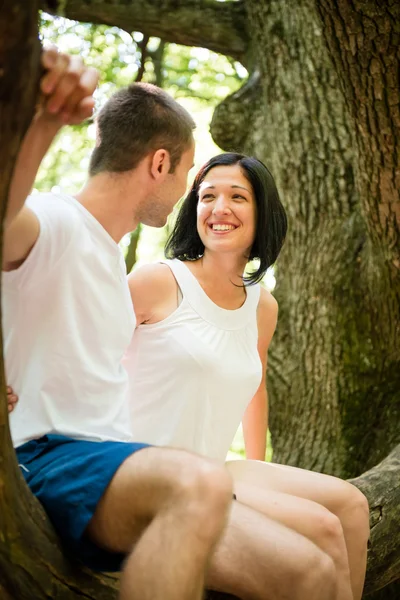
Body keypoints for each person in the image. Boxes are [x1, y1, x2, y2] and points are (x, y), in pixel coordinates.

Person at [4, 48, 340, 600]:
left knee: (312, 573)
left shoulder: (110, 260)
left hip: (112, 466)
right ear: (160, 164)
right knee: (200, 480)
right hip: (49, 458)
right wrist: (38, 124)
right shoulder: (60, 221)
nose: (189, 192)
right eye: (190, 175)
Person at [122, 153, 370, 600]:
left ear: (263, 215)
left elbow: (254, 385)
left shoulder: (262, 304)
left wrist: (260, 464)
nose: (219, 209)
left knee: (352, 506)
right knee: (324, 532)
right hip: (148, 475)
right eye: (207, 196)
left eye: (238, 197)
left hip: (215, 465)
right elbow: (81, 350)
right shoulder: (158, 281)